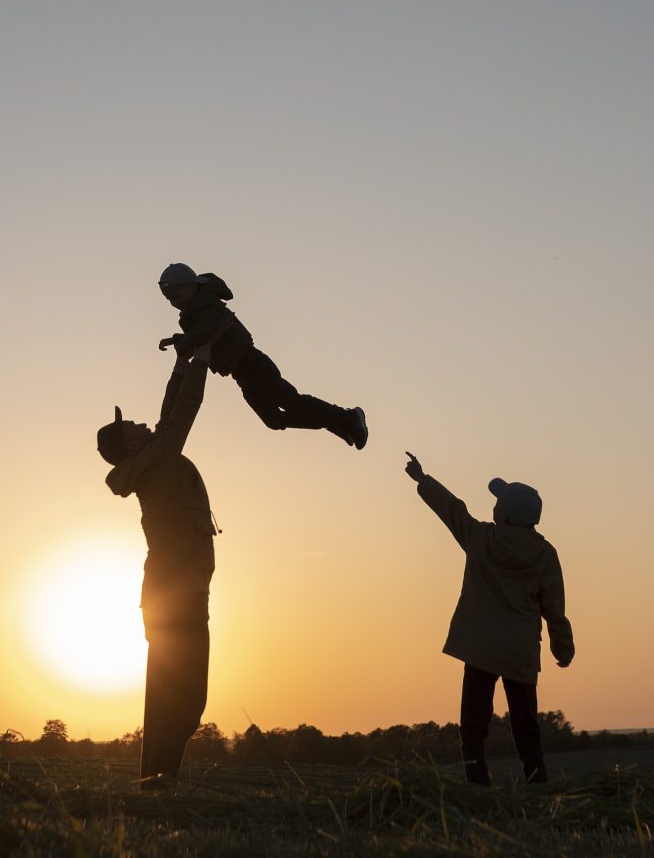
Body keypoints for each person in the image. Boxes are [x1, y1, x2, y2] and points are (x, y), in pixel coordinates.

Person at [402, 451, 573, 785]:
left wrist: (423, 480)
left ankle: (477, 790)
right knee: (526, 732)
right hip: (519, 653)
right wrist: (562, 649)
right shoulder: (544, 554)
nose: (492, 506)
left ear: (504, 514)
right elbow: (555, 609)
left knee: (473, 731)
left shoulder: (480, 540)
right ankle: (537, 789)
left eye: (498, 502)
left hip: (480, 649)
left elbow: (452, 510)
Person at [99, 350, 216, 789]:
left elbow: (168, 414)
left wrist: (181, 365)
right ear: (131, 444)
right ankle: (160, 776)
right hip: (177, 590)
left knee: (172, 692)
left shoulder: (153, 457)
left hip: (176, 589)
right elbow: (182, 413)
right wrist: (200, 360)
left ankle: (158, 777)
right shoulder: (159, 457)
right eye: (134, 427)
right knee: (185, 695)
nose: (143, 424)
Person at [154, 262, 367, 449]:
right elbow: (201, 334)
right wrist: (179, 339)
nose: (173, 303)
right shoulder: (195, 312)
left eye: (175, 296)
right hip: (241, 372)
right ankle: (336, 422)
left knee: (292, 401)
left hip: (251, 362)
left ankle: (347, 417)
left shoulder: (206, 303)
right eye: (169, 299)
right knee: (273, 419)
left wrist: (182, 343)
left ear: (192, 287)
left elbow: (204, 332)